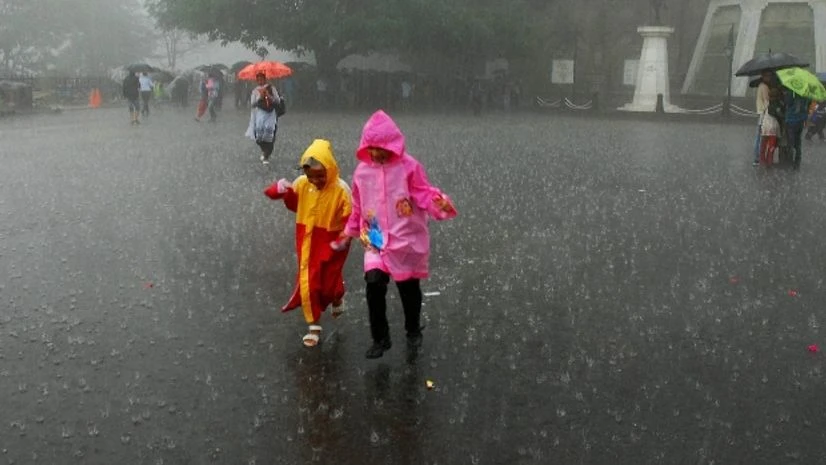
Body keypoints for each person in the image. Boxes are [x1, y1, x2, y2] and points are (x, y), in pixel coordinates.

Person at [340, 110, 458, 359]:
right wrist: (349, 232)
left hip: (406, 239)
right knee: (373, 284)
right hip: (375, 238)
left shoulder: (409, 167)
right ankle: (380, 338)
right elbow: (358, 205)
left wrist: (439, 205)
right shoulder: (362, 172)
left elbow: (423, 193)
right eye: (370, 148)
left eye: (379, 147)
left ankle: (413, 328)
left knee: (408, 288)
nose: (375, 153)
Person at [264, 139, 352, 347]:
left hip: (333, 241)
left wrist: (347, 236)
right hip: (308, 240)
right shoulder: (302, 184)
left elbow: (352, 216)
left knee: (329, 280)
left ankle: (337, 295)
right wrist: (281, 189)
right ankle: (314, 325)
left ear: (330, 169)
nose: (316, 181)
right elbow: (290, 202)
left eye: (320, 176)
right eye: (311, 177)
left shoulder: (341, 190)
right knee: (310, 280)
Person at [245, 72, 282, 165]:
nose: (260, 81)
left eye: (262, 79)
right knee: (259, 133)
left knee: (269, 131)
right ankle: (264, 151)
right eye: (258, 80)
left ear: (265, 79)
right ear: (256, 80)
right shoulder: (255, 91)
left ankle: (266, 154)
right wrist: (260, 97)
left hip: (270, 113)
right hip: (260, 113)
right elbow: (252, 104)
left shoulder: (271, 88)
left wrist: (268, 95)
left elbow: (278, 101)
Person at [784, 89, 812, 169]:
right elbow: (808, 106)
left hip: (791, 120)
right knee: (798, 141)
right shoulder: (807, 93)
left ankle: (790, 163)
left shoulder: (792, 91)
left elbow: (788, 102)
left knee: (791, 142)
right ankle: (797, 162)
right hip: (801, 120)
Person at [753, 71, 774, 166]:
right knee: (761, 136)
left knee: (758, 136)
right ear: (764, 77)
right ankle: (758, 157)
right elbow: (767, 101)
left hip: (760, 111)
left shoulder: (760, 86)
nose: (769, 78)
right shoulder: (765, 87)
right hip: (764, 113)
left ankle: (757, 157)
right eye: (768, 76)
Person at [758, 87, 782, 166]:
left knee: (763, 145)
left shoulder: (766, 103)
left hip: (765, 127)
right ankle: (769, 160)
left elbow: (763, 114)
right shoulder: (777, 105)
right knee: (771, 146)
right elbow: (778, 114)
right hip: (773, 127)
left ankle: (762, 160)